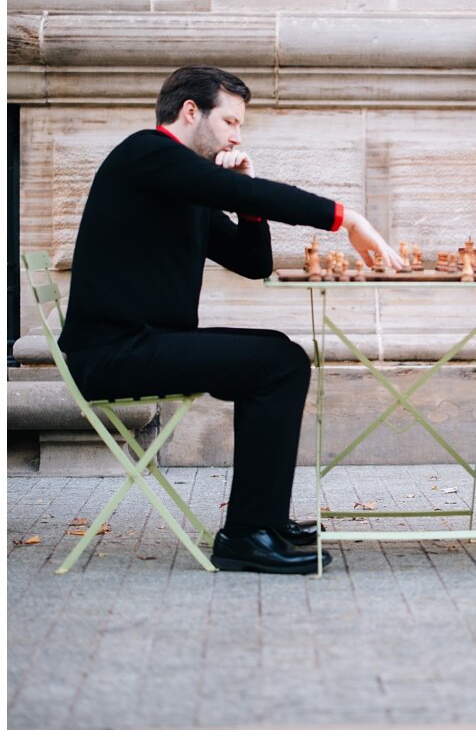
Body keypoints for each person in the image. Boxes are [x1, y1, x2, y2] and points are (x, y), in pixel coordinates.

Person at [60, 65, 404, 574]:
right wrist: (346, 218)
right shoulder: (146, 153)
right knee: (277, 362)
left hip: (145, 342)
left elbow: (252, 263)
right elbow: (248, 199)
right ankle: (247, 534)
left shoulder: (182, 185)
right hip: (112, 354)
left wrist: (242, 196)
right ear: (191, 111)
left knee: (281, 355)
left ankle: (262, 519)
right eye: (231, 122)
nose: (237, 136)